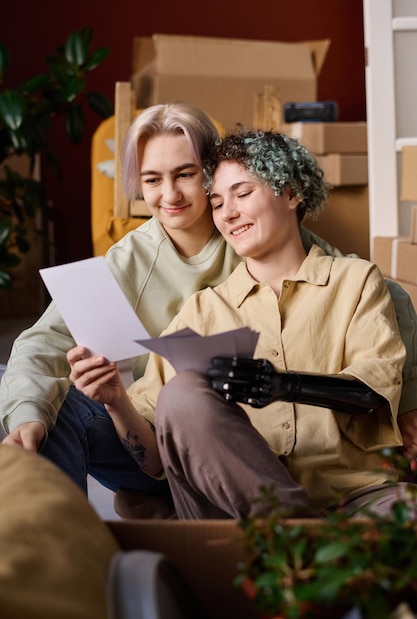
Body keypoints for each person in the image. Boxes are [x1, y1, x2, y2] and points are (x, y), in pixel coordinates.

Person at [1, 103, 416, 511]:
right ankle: (60, 547)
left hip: (284, 457)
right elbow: (44, 343)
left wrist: (408, 400)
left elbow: (381, 294)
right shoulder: (134, 264)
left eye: (185, 175)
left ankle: (167, 509)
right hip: (175, 440)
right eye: (151, 180)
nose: (170, 195)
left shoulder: (281, 243)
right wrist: (31, 414)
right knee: (64, 406)